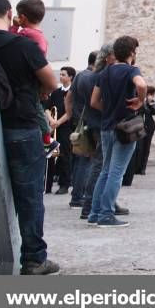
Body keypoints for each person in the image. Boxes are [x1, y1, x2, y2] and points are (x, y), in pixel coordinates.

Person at [0, 0, 59, 274]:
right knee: (30, 194)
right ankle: (34, 258)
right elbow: (51, 81)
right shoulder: (22, 45)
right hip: (20, 125)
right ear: (10, 14)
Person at [88, 36, 146, 227]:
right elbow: (141, 85)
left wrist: (111, 109)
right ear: (131, 53)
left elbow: (94, 102)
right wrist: (140, 100)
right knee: (116, 172)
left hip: (106, 127)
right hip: (125, 128)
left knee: (105, 171)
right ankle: (106, 214)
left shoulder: (104, 73)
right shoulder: (131, 70)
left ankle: (94, 213)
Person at [78, 44, 117, 221]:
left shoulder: (84, 76)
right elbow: (96, 102)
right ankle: (90, 206)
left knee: (97, 165)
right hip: (100, 123)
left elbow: (71, 100)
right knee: (100, 166)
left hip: (90, 121)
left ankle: (98, 202)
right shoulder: (100, 76)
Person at [10, 0, 51, 144]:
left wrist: (14, 27)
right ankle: (46, 137)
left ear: (22, 17)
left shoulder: (27, 34)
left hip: (31, 78)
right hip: (37, 76)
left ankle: (47, 137)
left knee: (37, 107)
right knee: (37, 106)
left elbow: (11, 40)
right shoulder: (40, 35)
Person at [64, 50, 97, 208]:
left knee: (79, 160)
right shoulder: (94, 77)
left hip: (78, 121)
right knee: (88, 161)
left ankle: (76, 196)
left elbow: (68, 98)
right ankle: (79, 197)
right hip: (90, 122)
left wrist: (70, 115)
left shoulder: (79, 76)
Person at [45, 66, 76, 195]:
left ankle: (64, 184)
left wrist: (57, 122)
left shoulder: (73, 92)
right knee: (51, 154)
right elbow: (47, 107)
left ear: (70, 77)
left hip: (66, 128)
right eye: (61, 74)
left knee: (64, 155)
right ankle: (47, 184)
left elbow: (71, 111)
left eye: (63, 74)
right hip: (53, 127)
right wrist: (51, 120)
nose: (61, 76)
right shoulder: (56, 92)